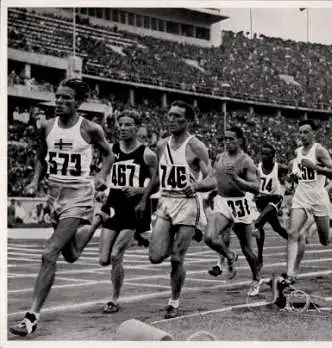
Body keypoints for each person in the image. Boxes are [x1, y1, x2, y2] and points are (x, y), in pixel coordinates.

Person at [9, 78, 114, 337]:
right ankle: (99, 219)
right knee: (71, 254)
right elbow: (39, 156)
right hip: (54, 195)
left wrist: (101, 175)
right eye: (58, 97)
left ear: (78, 103)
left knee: (49, 252)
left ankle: (32, 316)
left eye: (67, 98)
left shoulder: (91, 129)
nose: (60, 102)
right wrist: (35, 180)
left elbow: (109, 154)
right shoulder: (46, 126)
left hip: (79, 195)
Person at [135, 100, 211, 319]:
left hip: (187, 204)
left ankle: (174, 301)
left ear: (188, 121)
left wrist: (196, 185)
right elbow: (157, 177)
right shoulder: (161, 145)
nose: (172, 120)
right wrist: (143, 199)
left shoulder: (196, 146)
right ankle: (182, 236)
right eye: (169, 115)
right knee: (155, 256)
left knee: (177, 258)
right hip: (166, 201)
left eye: (178, 116)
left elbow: (211, 178)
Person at [96, 110, 157, 314]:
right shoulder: (111, 151)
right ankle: (142, 238)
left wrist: (140, 190)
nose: (122, 128)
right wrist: (101, 188)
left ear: (137, 127)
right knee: (103, 259)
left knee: (116, 255)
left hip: (133, 210)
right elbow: (103, 175)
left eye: (127, 124)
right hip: (114, 206)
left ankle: (114, 298)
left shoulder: (147, 154)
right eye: (120, 124)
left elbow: (157, 184)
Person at [282, 120, 332, 284]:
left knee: (324, 240)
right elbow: (298, 175)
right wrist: (293, 177)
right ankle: (290, 273)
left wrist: (316, 168)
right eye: (300, 132)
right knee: (293, 232)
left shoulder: (319, 150)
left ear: (314, 133)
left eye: (306, 132)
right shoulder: (298, 151)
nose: (302, 136)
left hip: (318, 198)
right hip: (301, 197)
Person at [196, 126, 262, 296]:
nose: (227, 142)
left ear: (240, 140)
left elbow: (256, 188)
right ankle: (229, 255)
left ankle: (256, 279)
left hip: (240, 204)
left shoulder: (246, 161)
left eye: (231, 139)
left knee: (247, 249)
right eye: (225, 139)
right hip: (223, 202)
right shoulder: (219, 157)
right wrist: (197, 187)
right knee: (209, 237)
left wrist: (237, 179)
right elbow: (212, 179)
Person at [253, 143, 289, 267]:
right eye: (262, 154)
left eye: (267, 154)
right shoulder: (256, 167)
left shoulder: (279, 168)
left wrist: (291, 182)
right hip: (261, 201)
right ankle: (292, 239)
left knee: (258, 223)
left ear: (273, 156)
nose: (264, 156)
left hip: (274, 200)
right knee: (277, 228)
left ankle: (259, 260)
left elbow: (293, 171)